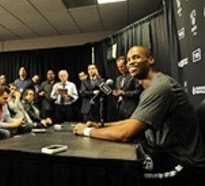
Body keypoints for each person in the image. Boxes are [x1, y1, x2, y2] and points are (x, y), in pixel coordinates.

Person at [73, 46, 205, 186]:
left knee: (121, 176)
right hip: (164, 154)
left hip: (182, 164)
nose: (130, 62)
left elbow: (125, 133)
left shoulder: (160, 87)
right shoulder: (148, 90)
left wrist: (86, 131)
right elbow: (132, 122)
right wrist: (102, 126)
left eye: (136, 57)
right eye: (129, 59)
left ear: (150, 60)